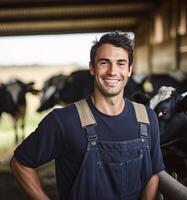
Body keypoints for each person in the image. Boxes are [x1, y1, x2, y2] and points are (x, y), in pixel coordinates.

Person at [10, 31, 165, 200]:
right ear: (92, 67)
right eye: (104, 63)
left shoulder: (147, 118)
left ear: (129, 70)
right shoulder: (64, 120)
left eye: (121, 63)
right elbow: (20, 163)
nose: (112, 71)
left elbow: (154, 173)